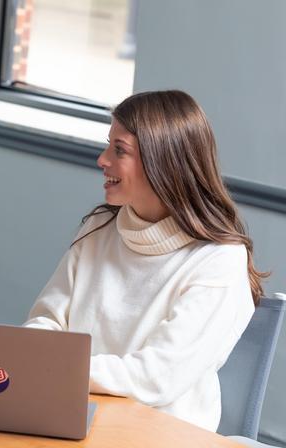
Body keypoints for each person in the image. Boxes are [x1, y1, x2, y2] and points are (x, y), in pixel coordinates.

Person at [24, 90, 267, 431]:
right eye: (108, 145)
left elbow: (156, 377)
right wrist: (36, 358)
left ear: (163, 161)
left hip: (160, 433)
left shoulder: (219, 260)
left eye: (119, 150)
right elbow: (45, 324)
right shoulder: (101, 227)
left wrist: (56, 366)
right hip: (74, 416)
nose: (102, 159)